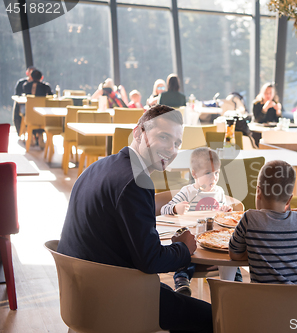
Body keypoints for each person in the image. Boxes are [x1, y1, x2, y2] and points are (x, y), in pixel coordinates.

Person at [57, 105, 213, 333]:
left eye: (177, 143)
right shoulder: (136, 181)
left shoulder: (96, 167)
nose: (171, 149)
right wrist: (183, 248)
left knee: (173, 297)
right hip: (114, 300)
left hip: (80, 293)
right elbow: (150, 261)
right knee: (214, 317)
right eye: (163, 137)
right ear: (138, 132)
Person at [229, 160, 297, 284]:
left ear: (258, 192)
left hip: (262, 301)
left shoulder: (249, 218)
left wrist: (256, 252)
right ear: (289, 199)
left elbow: (234, 254)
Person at [162, 147, 233, 296]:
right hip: (192, 241)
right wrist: (176, 208)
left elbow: (220, 217)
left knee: (231, 261)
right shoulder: (187, 192)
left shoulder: (219, 192)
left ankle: (234, 285)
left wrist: (224, 211)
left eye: (216, 173)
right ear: (194, 174)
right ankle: (182, 282)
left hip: (213, 241)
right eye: (208, 173)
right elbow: (164, 209)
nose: (213, 178)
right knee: (186, 257)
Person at [12, 66, 35, 135]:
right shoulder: (22, 83)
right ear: (27, 73)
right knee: (18, 107)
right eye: (30, 72)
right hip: (24, 106)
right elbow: (17, 95)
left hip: (36, 108)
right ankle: (20, 130)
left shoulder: (40, 86)